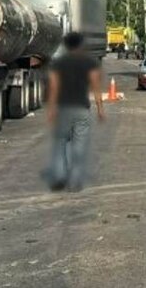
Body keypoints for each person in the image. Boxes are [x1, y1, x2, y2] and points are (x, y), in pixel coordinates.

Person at [44, 32, 105, 192]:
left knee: (60, 144)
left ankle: (60, 177)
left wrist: (51, 109)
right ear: (80, 45)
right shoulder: (88, 62)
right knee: (79, 146)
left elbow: (54, 87)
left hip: (63, 109)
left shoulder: (58, 63)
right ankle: (74, 181)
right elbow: (95, 86)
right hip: (81, 109)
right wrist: (100, 108)